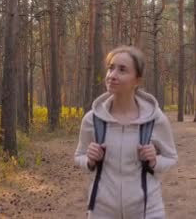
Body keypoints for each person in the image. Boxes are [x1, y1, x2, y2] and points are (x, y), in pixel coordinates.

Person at [74, 46, 178, 219]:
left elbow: (171, 157)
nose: (112, 75)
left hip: (148, 210)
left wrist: (154, 161)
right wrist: (89, 160)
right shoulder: (93, 119)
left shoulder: (155, 119)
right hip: (101, 211)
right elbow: (79, 156)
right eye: (111, 68)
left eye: (122, 70)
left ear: (137, 80)